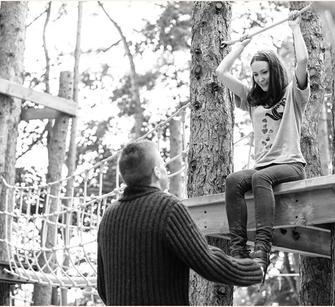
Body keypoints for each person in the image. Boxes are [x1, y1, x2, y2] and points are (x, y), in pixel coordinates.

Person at [96, 140, 264, 305]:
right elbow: (209, 262)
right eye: (162, 164)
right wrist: (256, 269)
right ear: (157, 172)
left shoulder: (108, 217)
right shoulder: (167, 208)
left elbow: (103, 289)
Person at [215, 11, 310, 272]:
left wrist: (295, 29)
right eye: (256, 74)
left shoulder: (293, 94)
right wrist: (242, 46)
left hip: (290, 165)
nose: (260, 79)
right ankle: (238, 250)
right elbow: (220, 72)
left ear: (274, 69)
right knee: (234, 181)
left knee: (260, 178)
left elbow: (302, 60)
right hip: (263, 167)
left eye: (264, 72)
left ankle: (262, 248)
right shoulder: (252, 99)